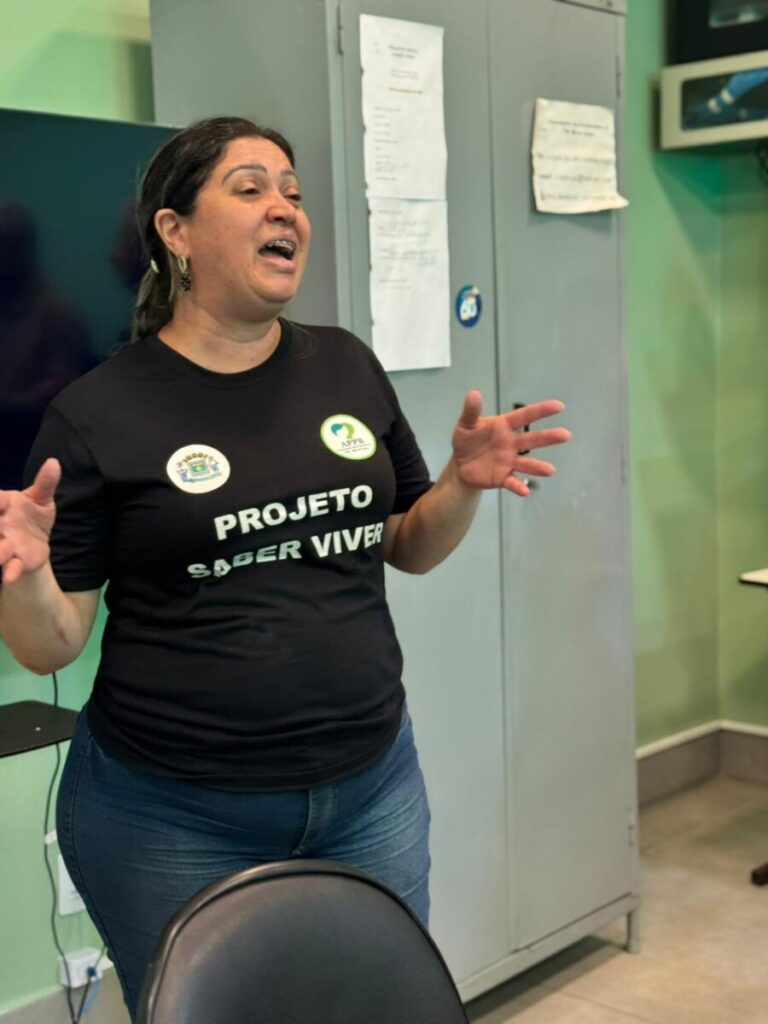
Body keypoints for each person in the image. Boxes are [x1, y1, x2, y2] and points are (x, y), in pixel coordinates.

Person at [0, 117, 570, 1017]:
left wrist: (461, 485)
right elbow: (50, 644)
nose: (286, 209)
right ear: (175, 232)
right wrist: (27, 573)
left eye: (293, 193)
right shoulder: (98, 411)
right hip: (172, 817)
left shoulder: (345, 366)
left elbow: (407, 543)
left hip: (372, 789)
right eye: (251, 188)